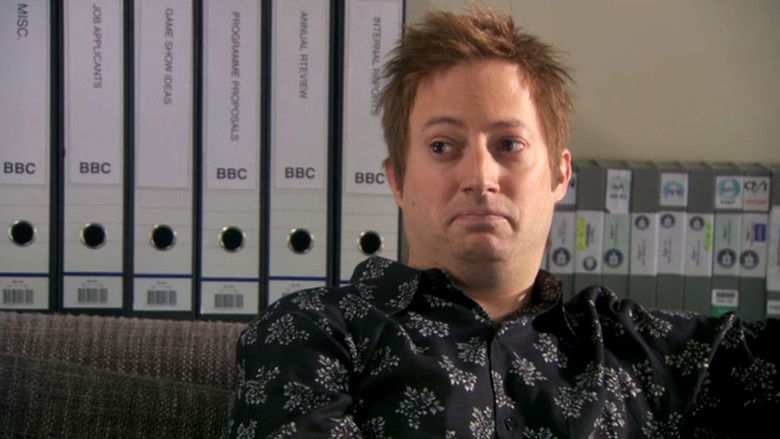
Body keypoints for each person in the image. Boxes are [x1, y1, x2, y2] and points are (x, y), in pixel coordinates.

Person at [226, 8, 779, 438]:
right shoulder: (314, 332)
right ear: (397, 180)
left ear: (560, 175)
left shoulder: (638, 348)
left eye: (509, 144)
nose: (480, 176)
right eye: (443, 146)